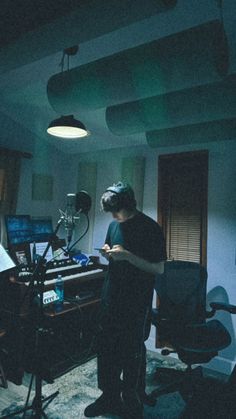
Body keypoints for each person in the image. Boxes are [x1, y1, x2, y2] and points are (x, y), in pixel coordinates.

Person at [84, 181, 167, 419]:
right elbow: (114, 255)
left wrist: (127, 256)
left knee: (131, 352)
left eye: (117, 213)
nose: (114, 217)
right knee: (107, 349)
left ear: (129, 205)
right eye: (111, 214)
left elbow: (159, 269)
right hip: (111, 297)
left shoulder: (150, 228)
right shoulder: (113, 224)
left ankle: (132, 397)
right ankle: (108, 396)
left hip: (135, 303)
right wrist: (108, 252)